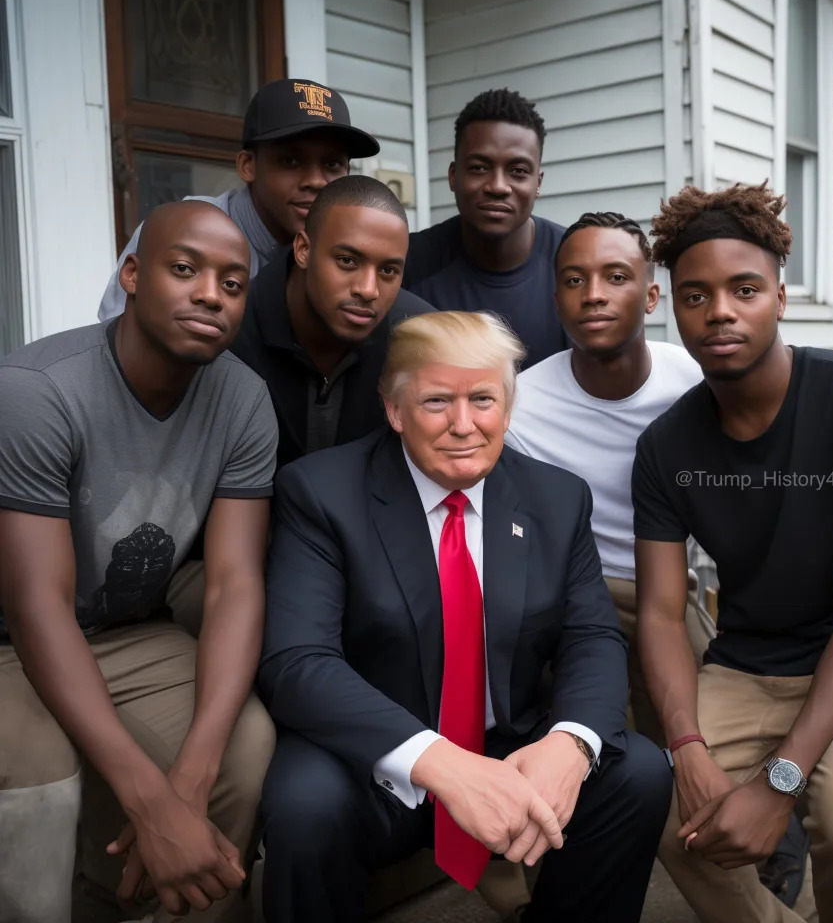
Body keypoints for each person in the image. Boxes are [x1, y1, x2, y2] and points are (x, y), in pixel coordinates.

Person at [256, 311, 673, 923]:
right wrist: (440, 764)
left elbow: (592, 637)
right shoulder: (320, 494)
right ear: (394, 409)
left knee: (634, 773)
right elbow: (297, 663)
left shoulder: (557, 498)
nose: (463, 424)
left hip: (507, 745)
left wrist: (569, 745)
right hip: (376, 759)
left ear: (507, 406)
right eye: (435, 401)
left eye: (483, 399)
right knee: (304, 806)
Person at [631, 183, 833, 923]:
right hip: (751, 657)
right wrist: (687, 748)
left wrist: (780, 783)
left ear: (779, 294)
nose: (720, 313)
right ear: (673, 308)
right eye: (695, 296)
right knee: (664, 810)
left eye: (744, 289)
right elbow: (660, 613)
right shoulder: (666, 445)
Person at [0, 201, 279, 923]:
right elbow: (36, 609)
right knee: (36, 777)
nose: (211, 294)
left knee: (244, 745)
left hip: (124, 630)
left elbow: (233, 585)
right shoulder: (38, 391)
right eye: (184, 269)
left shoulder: (243, 401)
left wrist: (189, 781)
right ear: (131, 274)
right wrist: (152, 803)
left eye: (233, 282)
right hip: (12, 639)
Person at [504, 211, 707, 735]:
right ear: (556, 301)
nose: (593, 294)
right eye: (574, 280)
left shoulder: (694, 379)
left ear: (652, 296)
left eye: (616, 277)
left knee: (701, 735)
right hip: (576, 595)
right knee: (603, 749)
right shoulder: (521, 404)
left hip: (670, 585)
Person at [97, 79, 380, 321]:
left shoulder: (348, 253)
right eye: (291, 160)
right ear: (248, 165)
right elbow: (120, 339)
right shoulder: (181, 231)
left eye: (332, 165)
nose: (316, 181)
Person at [231, 174, 433, 468]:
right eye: (347, 261)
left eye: (388, 270)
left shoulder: (420, 339)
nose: (368, 289)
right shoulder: (234, 329)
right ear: (304, 250)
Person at [402, 89, 568, 368]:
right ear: (454, 176)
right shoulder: (408, 263)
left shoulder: (572, 263)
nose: (498, 187)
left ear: (538, 183)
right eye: (479, 168)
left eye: (518, 171)